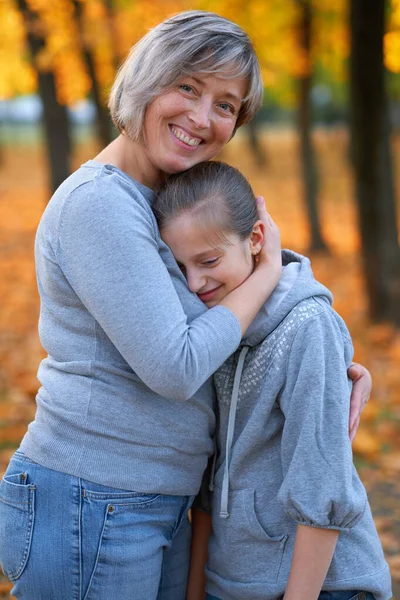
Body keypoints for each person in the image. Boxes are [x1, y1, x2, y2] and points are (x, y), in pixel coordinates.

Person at [0, 11, 371, 600]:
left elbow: (226, 318)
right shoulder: (100, 205)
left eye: (226, 105)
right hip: (92, 499)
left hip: (157, 500)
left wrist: (326, 356)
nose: (202, 118)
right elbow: (177, 364)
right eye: (189, 87)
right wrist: (271, 272)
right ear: (146, 80)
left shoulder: (166, 206)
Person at [153, 160, 392, 600]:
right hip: (234, 583)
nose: (193, 282)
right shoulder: (214, 330)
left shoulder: (307, 327)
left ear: (256, 239)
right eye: (179, 267)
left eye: (207, 260)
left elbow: (323, 492)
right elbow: (211, 485)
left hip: (321, 587)